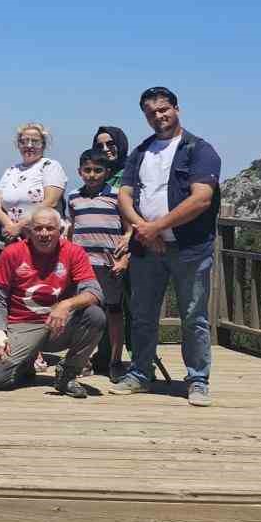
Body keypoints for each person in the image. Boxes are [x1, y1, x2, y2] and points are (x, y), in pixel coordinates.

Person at [111, 87, 222, 406]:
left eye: (163, 110)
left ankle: (198, 380)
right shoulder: (141, 152)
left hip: (190, 248)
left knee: (193, 316)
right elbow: (125, 195)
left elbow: (201, 198)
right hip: (148, 248)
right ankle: (140, 374)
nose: (158, 116)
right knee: (143, 314)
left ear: (177, 109)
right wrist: (143, 230)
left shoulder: (199, 150)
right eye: (151, 112)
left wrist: (155, 227)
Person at [0, 207, 105, 397]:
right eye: (38, 229)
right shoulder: (12, 253)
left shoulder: (74, 252)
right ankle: (25, 363)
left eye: (50, 228)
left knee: (95, 315)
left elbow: (95, 292)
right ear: (29, 231)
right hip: (21, 324)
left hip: (59, 324)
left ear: (61, 231)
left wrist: (66, 305)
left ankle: (68, 374)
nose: (44, 234)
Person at [67, 150, 131, 378]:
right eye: (87, 170)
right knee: (82, 313)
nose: (92, 175)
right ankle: (80, 361)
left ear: (107, 172)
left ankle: (115, 361)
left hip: (109, 265)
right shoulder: (73, 197)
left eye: (98, 170)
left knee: (114, 312)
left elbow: (128, 228)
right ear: (79, 172)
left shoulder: (116, 196)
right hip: (82, 265)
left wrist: (124, 258)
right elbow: (72, 229)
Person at [0, 123, 67, 247]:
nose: (29, 145)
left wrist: (19, 226)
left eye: (35, 141)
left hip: (43, 240)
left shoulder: (50, 166)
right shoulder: (11, 171)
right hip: (13, 239)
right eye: (24, 141)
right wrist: (10, 227)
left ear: (43, 145)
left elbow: (50, 202)